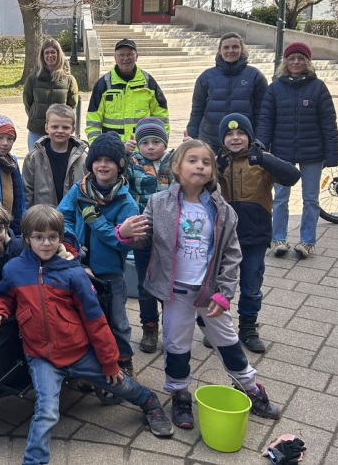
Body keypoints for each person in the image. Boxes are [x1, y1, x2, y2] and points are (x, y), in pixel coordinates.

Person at [0, 205, 173, 465]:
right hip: (41, 356)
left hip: (78, 351)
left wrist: (109, 360)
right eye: (39, 237)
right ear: (27, 238)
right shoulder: (14, 269)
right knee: (46, 410)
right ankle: (34, 460)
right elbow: (5, 295)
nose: (46, 243)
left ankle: (149, 402)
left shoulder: (73, 273)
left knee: (119, 382)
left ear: (61, 238)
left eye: (53, 237)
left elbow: (95, 320)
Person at [116, 140, 282, 430]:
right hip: (176, 293)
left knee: (228, 342)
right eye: (192, 160)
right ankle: (180, 393)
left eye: (206, 162)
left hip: (210, 294)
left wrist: (224, 293)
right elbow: (145, 239)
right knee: (176, 345)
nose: (200, 166)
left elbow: (232, 254)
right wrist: (127, 233)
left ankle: (250, 387)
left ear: (212, 172)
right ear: (176, 167)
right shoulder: (159, 203)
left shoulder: (223, 210)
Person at [216, 114, 300, 353]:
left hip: (255, 235)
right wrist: (215, 168)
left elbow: (292, 176)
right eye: (229, 134)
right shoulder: (216, 161)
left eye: (240, 133)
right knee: (219, 285)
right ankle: (218, 327)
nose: (235, 138)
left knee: (251, 284)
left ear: (250, 137)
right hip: (223, 237)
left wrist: (265, 159)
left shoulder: (261, 159)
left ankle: (248, 327)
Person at [58, 132, 139, 377]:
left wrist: (97, 222)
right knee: (84, 317)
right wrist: (72, 242)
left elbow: (125, 244)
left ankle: (124, 359)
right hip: (79, 267)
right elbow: (63, 217)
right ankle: (91, 362)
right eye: (98, 160)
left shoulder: (127, 202)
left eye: (110, 160)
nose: (103, 165)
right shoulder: (79, 190)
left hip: (110, 273)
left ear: (120, 165)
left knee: (116, 321)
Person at [256, 42, 338, 259]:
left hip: (312, 153)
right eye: (291, 58)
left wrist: (332, 154)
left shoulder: (318, 87)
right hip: (282, 152)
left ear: (307, 62)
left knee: (310, 199)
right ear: (285, 62)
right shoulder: (275, 88)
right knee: (280, 198)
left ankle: (307, 241)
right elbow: (265, 121)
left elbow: (328, 123)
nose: (296, 62)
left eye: (300, 58)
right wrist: (261, 148)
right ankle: (278, 239)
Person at [125, 117, 173, 354]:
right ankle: (149, 327)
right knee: (145, 283)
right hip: (143, 230)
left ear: (165, 142)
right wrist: (123, 155)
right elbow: (117, 176)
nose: (151, 147)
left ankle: (172, 328)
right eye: (145, 143)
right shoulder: (133, 162)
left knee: (170, 283)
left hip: (170, 233)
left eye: (156, 142)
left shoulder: (175, 160)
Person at [186, 32, 268, 146]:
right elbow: (197, 110)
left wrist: (260, 141)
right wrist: (192, 138)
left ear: (242, 49)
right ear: (220, 51)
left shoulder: (255, 76)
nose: (230, 50)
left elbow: (261, 113)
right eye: (226, 47)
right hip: (210, 141)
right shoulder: (206, 77)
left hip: (242, 142)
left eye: (235, 47)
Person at [85, 38, 169, 147]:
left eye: (130, 54)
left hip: (143, 150)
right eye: (121, 55)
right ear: (115, 58)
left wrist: (162, 143)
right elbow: (93, 121)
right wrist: (97, 147)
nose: (125, 58)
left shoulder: (148, 83)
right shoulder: (103, 84)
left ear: (137, 56)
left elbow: (161, 116)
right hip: (112, 149)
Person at [22, 103, 88, 207]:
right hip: (44, 214)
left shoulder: (83, 158)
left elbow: (88, 189)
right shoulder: (33, 158)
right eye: (55, 127)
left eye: (65, 127)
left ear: (73, 129)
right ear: (46, 128)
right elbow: (27, 191)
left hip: (74, 214)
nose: (60, 131)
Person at [22, 39, 79, 151]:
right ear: (42, 56)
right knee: (35, 161)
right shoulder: (32, 79)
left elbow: (72, 105)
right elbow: (27, 102)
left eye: (53, 52)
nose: (50, 55)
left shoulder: (69, 80)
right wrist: (36, 118)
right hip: (37, 131)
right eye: (46, 52)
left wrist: (60, 122)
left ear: (59, 54)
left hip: (59, 132)